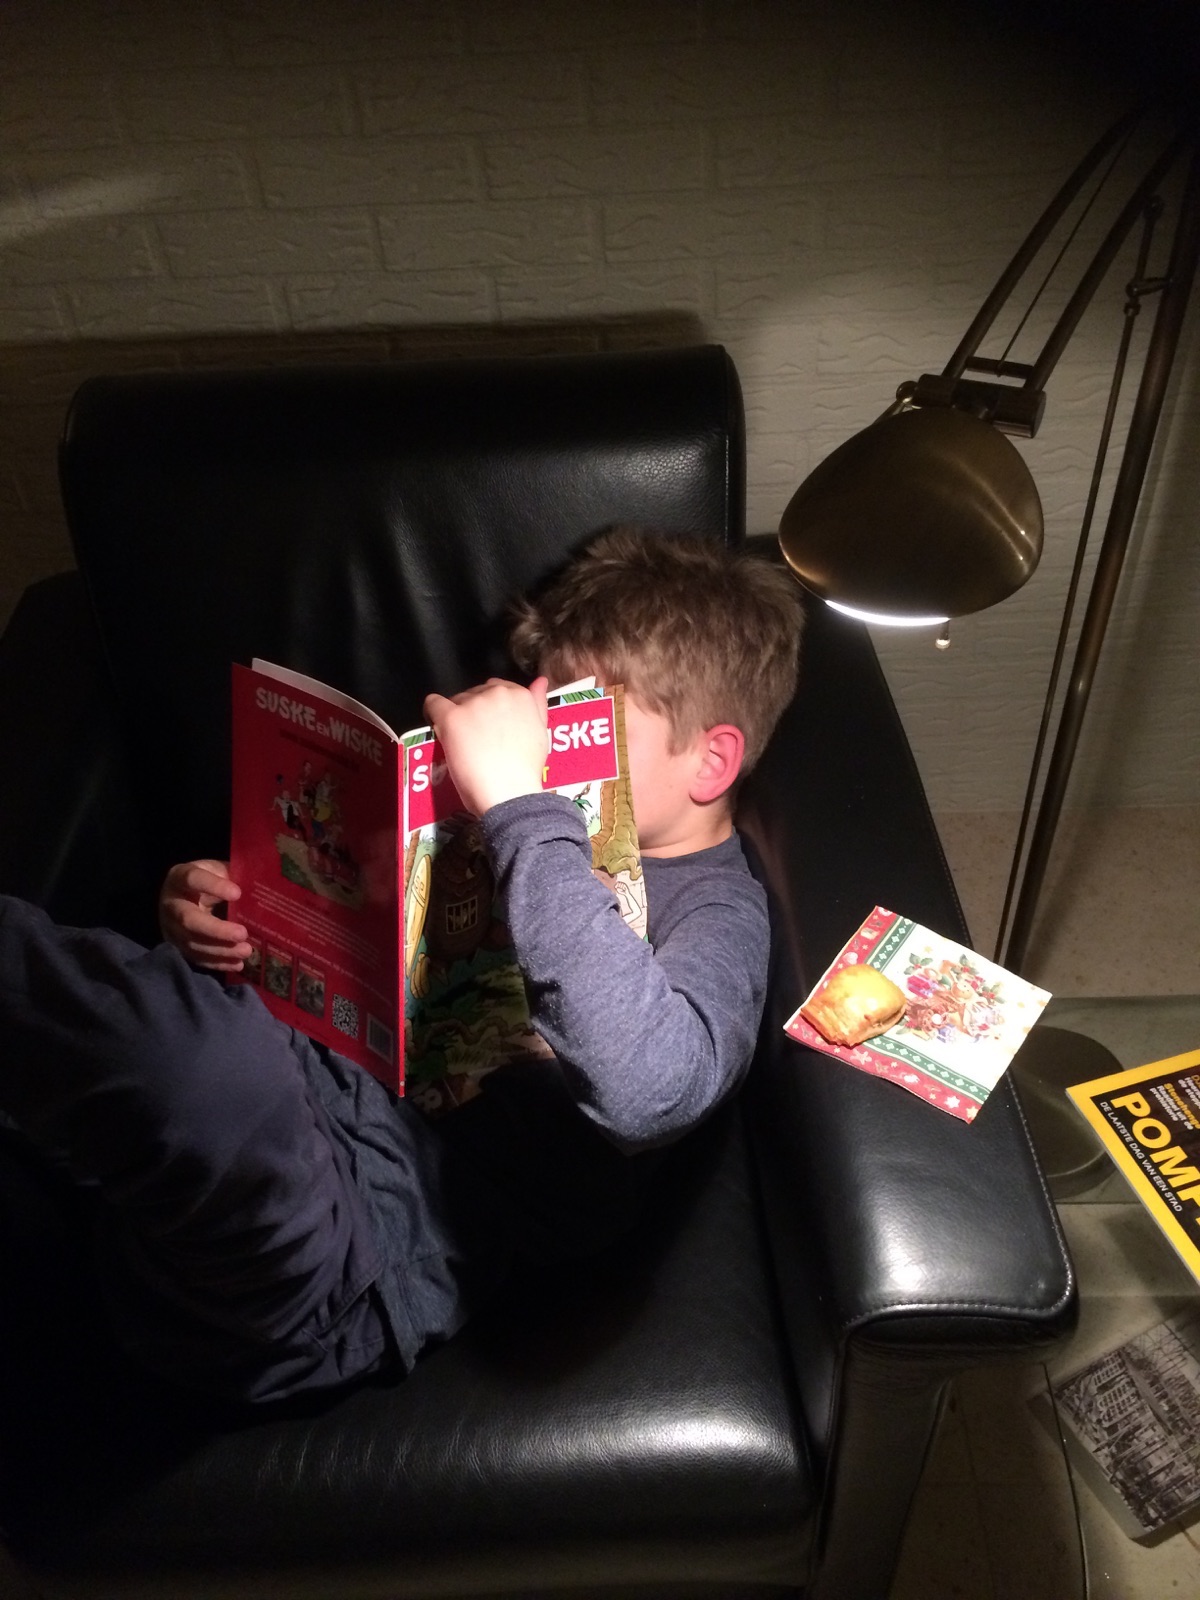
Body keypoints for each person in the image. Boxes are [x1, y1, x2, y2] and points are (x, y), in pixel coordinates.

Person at [0, 528, 803, 1403]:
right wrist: (223, 914)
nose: (540, 740)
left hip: (352, 1243)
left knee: (201, 1068)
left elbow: (652, 1088)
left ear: (711, 760)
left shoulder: (716, 912)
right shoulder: (491, 815)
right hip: (250, 1089)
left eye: (575, 720)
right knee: (167, 1023)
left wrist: (521, 802)